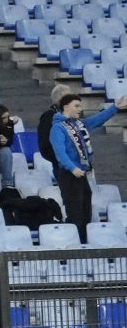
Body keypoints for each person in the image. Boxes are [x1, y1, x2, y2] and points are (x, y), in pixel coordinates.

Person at [48, 85, 127, 242]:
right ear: (66, 107)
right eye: (76, 106)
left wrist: (115, 108)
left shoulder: (78, 124)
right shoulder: (57, 128)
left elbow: (96, 120)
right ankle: (76, 247)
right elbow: (60, 153)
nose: (80, 109)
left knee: (85, 211)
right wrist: (72, 168)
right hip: (70, 175)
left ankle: (84, 244)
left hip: (82, 174)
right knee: (75, 213)